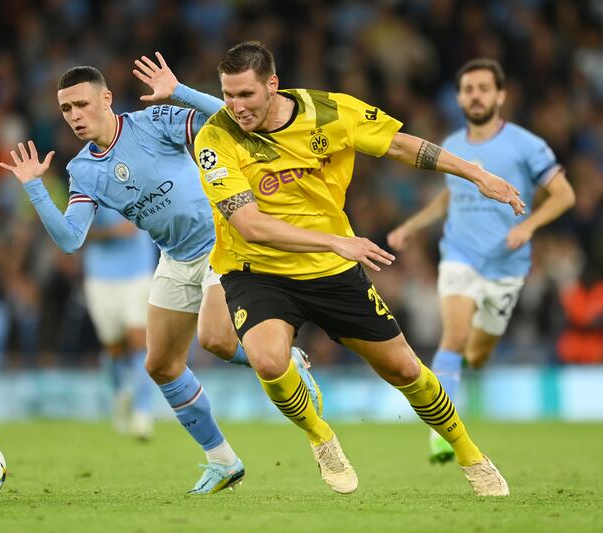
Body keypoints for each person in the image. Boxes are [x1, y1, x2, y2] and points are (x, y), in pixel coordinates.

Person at [194, 41, 525, 497]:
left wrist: (476, 173)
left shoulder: (331, 112)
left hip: (331, 270)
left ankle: (471, 455)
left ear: (273, 85)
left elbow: (401, 146)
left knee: (405, 370)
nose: (236, 107)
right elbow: (249, 225)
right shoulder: (216, 137)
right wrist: (336, 239)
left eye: (246, 95)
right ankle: (321, 437)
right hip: (257, 269)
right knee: (268, 360)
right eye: (228, 95)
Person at [0, 53, 320, 494]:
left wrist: (181, 91)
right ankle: (222, 461)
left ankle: (287, 361)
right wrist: (35, 188)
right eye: (66, 109)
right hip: (174, 257)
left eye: (82, 104)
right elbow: (72, 238)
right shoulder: (83, 170)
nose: (75, 116)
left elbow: (229, 118)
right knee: (162, 365)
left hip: (222, 241)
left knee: (218, 340)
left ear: (106, 98)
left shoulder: (154, 121)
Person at [387, 58, 575, 463]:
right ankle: (444, 435)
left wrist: (529, 227)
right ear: (458, 98)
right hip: (459, 257)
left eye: (483, 88)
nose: (475, 95)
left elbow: (564, 195)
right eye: (468, 89)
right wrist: (412, 226)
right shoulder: (452, 145)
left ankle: (462, 379)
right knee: (452, 338)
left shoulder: (526, 144)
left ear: (500, 95)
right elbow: (448, 196)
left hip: (506, 267)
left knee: (477, 353)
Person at [81, 207, 157, 440]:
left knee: (139, 342)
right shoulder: (86, 180)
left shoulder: (141, 175)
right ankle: (120, 394)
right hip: (101, 277)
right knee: (113, 348)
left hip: (138, 273)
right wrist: (112, 232)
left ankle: (143, 413)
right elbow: (76, 233)